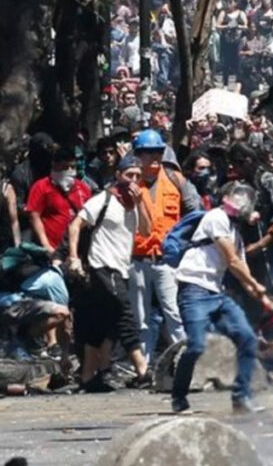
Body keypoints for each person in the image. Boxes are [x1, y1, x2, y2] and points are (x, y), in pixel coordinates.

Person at [172, 184, 270, 415]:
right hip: (194, 289)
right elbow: (233, 261)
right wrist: (255, 285)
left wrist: (257, 293)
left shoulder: (235, 232)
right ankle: (178, 398)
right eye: (238, 197)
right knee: (196, 345)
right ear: (225, 198)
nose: (243, 202)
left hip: (216, 292)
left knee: (247, 338)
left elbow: (240, 266)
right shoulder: (216, 217)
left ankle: (241, 397)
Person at [67, 156, 153, 391]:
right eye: (129, 175)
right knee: (126, 312)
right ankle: (142, 369)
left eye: (137, 176)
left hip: (122, 269)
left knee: (105, 322)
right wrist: (74, 257)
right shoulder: (103, 200)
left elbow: (147, 231)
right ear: (118, 175)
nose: (133, 180)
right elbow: (75, 225)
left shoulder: (133, 205)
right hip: (101, 267)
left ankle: (89, 376)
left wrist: (141, 202)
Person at [129, 130, 190, 363]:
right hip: (138, 258)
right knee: (141, 318)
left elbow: (194, 214)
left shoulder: (176, 181)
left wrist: (182, 246)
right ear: (138, 155)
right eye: (147, 152)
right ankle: (143, 368)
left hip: (167, 259)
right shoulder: (131, 183)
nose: (153, 157)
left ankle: (184, 362)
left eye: (157, 152)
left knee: (174, 314)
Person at [25, 146, 92, 254]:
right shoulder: (41, 187)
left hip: (79, 250)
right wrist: (46, 246)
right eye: (65, 167)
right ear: (55, 165)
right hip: (53, 250)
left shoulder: (83, 188)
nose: (70, 171)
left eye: (72, 167)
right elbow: (34, 216)